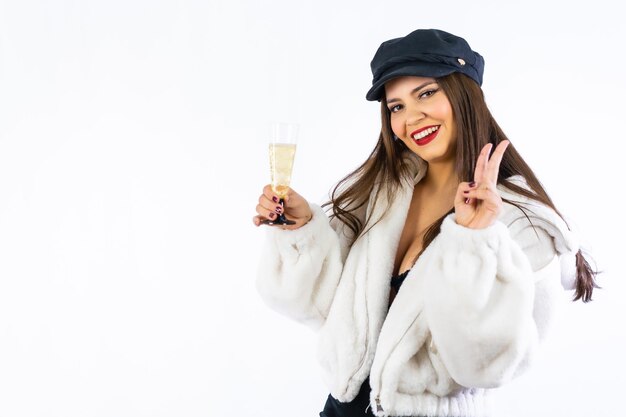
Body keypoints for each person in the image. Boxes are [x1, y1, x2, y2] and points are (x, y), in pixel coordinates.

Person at [252, 28, 597, 417]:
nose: (411, 117)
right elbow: (324, 310)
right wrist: (300, 231)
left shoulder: (520, 222)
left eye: (427, 93)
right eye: (396, 106)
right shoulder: (384, 192)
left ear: (466, 94)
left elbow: (487, 364)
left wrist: (475, 242)